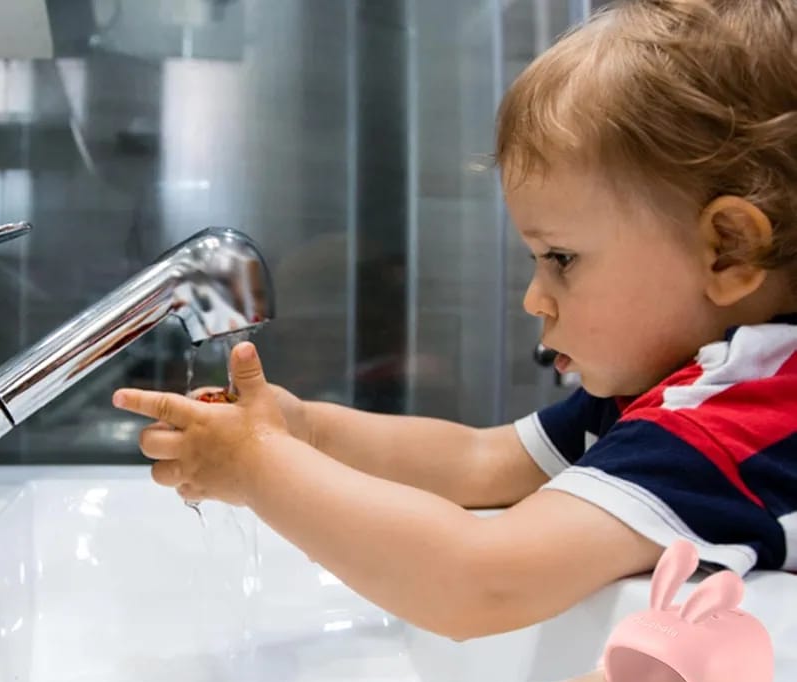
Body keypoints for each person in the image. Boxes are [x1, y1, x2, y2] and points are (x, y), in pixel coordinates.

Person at [112, 0, 797, 640]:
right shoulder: (671, 394)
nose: (535, 297)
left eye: (561, 257)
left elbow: (483, 580)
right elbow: (482, 461)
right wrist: (303, 431)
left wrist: (261, 468)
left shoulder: (737, 419)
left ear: (730, 249)